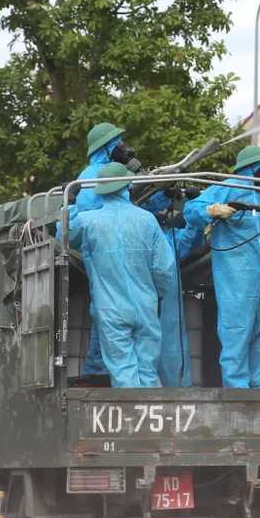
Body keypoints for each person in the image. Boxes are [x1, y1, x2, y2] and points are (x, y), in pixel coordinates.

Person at [183, 145, 260, 389]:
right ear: (254, 168)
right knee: (237, 329)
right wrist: (212, 210)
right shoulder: (225, 188)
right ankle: (237, 386)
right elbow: (190, 210)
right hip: (236, 275)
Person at [58, 162, 175, 388]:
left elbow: (65, 236)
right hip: (146, 305)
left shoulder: (89, 220)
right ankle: (149, 420)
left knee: (123, 373)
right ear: (128, 186)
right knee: (148, 371)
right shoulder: (147, 219)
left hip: (111, 309)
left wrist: (70, 203)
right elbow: (163, 267)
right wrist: (155, 295)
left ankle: (131, 420)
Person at [75, 123, 171, 375]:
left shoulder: (113, 178)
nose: (123, 147)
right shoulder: (89, 178)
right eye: (118, 143)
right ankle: (98, 368)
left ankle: (102, 370)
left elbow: (132, 206)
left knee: (109, 315)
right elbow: (94, 218)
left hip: (123, 258)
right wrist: (155, 293)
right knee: (105, 311)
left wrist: (165, 194)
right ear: (105, 147)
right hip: (106, 255)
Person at [158, 222, 205, 388]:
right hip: (162, 305)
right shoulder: (166, 239)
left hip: (160, 306)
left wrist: (194, 220)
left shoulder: (167, 238)